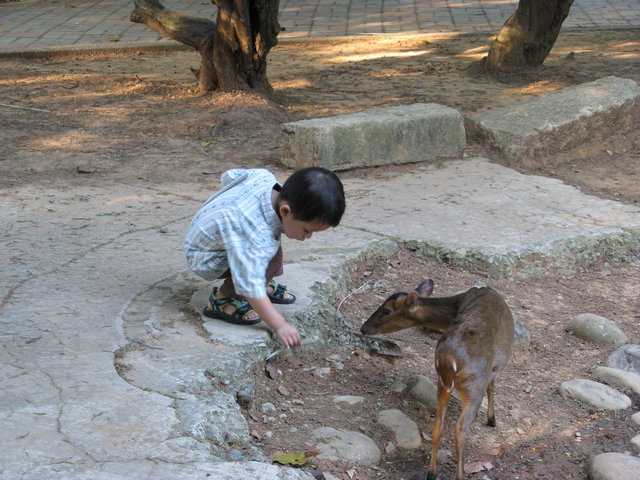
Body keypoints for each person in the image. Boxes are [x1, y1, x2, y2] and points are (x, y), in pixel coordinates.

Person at [184, 167, 346, 349]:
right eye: (307, 230)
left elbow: (229, 176)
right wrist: (280, 325)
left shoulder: (264, 178)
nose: (308, 237)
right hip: (206, 259)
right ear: (286, 211)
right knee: (261, 254)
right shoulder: (255, 235)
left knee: (269, 240)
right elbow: (249, 282)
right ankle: (223, 300)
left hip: (207, 235)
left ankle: (263, 281)